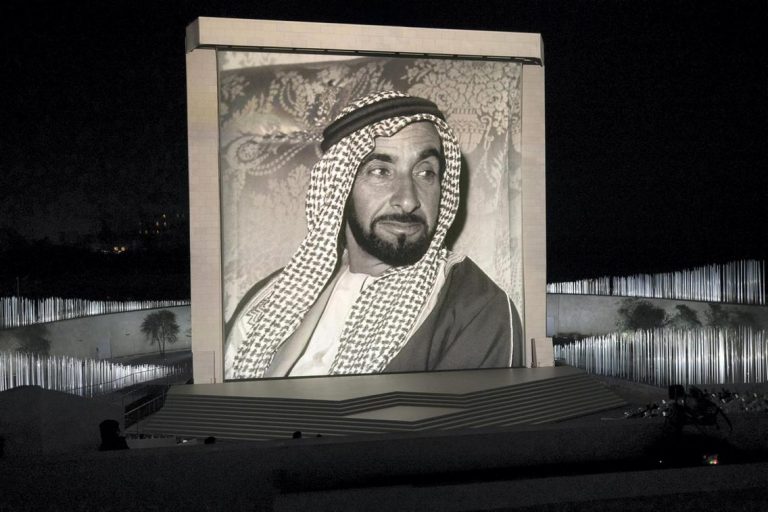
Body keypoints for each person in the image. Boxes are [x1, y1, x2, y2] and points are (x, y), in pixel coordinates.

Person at [225, 90, 521, 379]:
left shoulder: (476, 310)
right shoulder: (266, 301)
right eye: (380, 171)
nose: (408, 200)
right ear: (339, 187)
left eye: (425, 172)